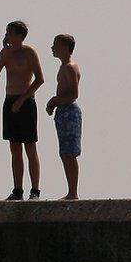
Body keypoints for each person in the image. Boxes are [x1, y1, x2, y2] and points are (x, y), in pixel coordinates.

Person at [0, 20, 45, 200]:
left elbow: (39, 79)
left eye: (10, 32)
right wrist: (3, 56)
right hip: (9, 99)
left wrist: (22, 100)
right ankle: (17, 190)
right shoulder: (6, 52)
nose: (7, 35)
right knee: (15, 149)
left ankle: (35, 190)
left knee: (30, 146)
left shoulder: (29, 52)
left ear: (19, 35)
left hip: (26, 101)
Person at [46, 34, 82, 200]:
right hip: (63, 112)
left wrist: (55, 100)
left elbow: (74, 93)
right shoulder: (63, 67)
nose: (52, 47)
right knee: (64, 153)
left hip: (69, 112)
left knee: (69, 153)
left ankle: (73, 192)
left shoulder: (69, 67)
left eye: (56, 44)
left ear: (65, 47)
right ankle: (71, 191)